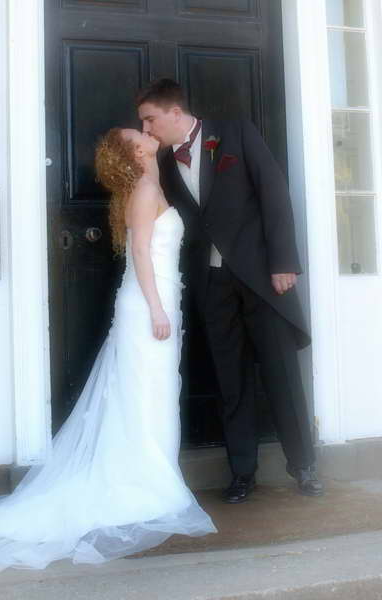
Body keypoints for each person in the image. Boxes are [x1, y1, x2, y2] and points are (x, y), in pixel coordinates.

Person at [0, 128, 216, 573]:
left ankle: (155, 474)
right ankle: (149, 483)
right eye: (139, 133)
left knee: (154, 391)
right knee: (146, 392)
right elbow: (141, 254)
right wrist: (156, 308)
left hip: (160, 299)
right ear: (135, 152)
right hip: (150, 304)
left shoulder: (151, 184)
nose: (147, 132)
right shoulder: (146, 191)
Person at [137, 78, 324, 504]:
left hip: (263, 278)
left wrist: (283, 262)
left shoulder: (236, 132)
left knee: (281, 375)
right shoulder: (164, 163)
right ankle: (242, 473)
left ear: (175, 112)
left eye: (150, 119)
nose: (147, 128)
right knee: (230, 381)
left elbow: (273, 192)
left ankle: (304, 467)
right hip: (212, 284)